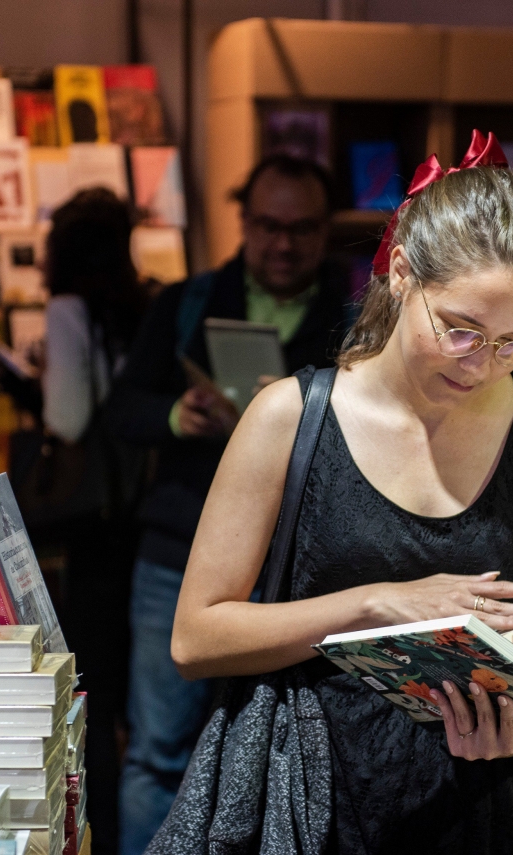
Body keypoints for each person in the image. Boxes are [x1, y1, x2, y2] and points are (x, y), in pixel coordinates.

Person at [162, 135, 513, 853]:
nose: (482, 365)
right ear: (401, 271)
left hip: (496, 808)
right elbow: (196, 635)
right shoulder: (290, 416)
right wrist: (376, 604)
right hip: (321, 796)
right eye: (461, 330)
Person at [106, 153, 352, 855]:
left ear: (325, 229)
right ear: (243, 221)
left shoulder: (359, 315)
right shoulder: (187, 300)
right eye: (269, 225)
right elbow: (120, 410)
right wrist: (181, 416)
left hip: (299, 566)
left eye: (302, 228)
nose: (283, 243)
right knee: (158, 747)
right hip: (176, 551)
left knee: (288, 745)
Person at [39, 187, 149, 855]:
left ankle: (102, 836)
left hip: (95, 524)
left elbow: (68, 419)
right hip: (149, 519)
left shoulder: (68, 311)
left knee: (95, 693)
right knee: (145, 700)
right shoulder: (143, 308)